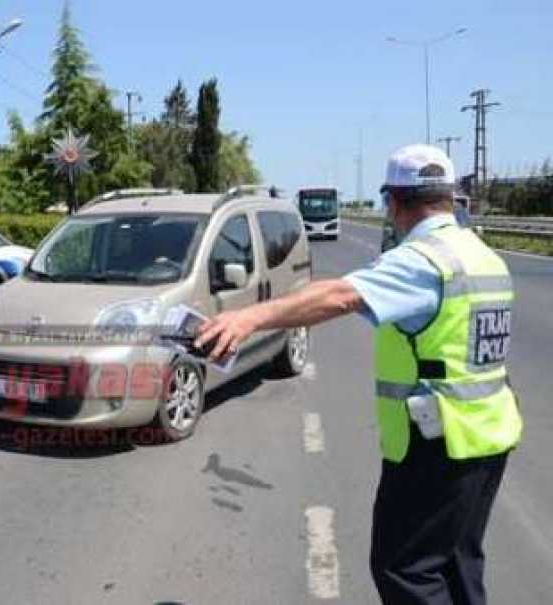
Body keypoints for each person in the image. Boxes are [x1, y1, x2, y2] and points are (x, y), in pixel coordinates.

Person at [195, 144, 522, 605]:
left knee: (406, 569)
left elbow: (340, 295)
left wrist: (249, 318)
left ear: (393, 203)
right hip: (490, 433)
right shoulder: (483, 256)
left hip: (438, 443)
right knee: (457, 559)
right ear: (450, 197)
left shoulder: (422, 260)